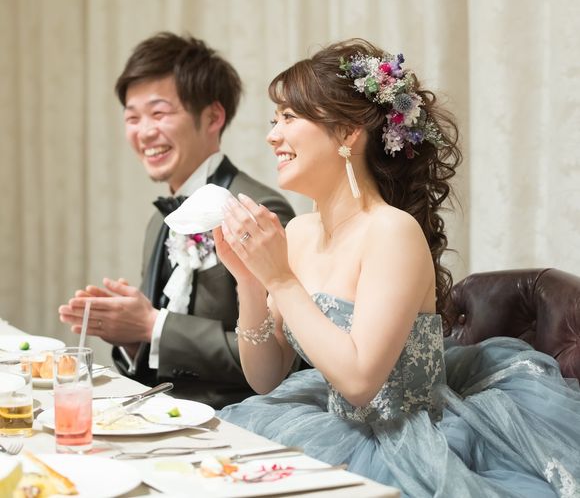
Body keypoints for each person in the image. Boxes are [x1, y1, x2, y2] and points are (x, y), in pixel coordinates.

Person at [215, 39, 580, 496]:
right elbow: (265, 378)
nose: (273, 136)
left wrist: (279, 279)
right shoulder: (301, 233)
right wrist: (250, 281)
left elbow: (359, 382)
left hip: (408, 443)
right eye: (275, 121)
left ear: (348, 133)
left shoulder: (392, 231)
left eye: (289, 117)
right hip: (325, 424)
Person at [59, 32, 295, 408]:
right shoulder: (162, 219)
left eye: (159, 113)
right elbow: (159, 352)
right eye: (132, 118)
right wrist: (131, 337)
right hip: (161, 412)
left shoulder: (256, 208)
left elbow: (279, 361)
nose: (144, 132)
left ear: (213, 116)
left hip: (232, 417)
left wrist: (153, 325)